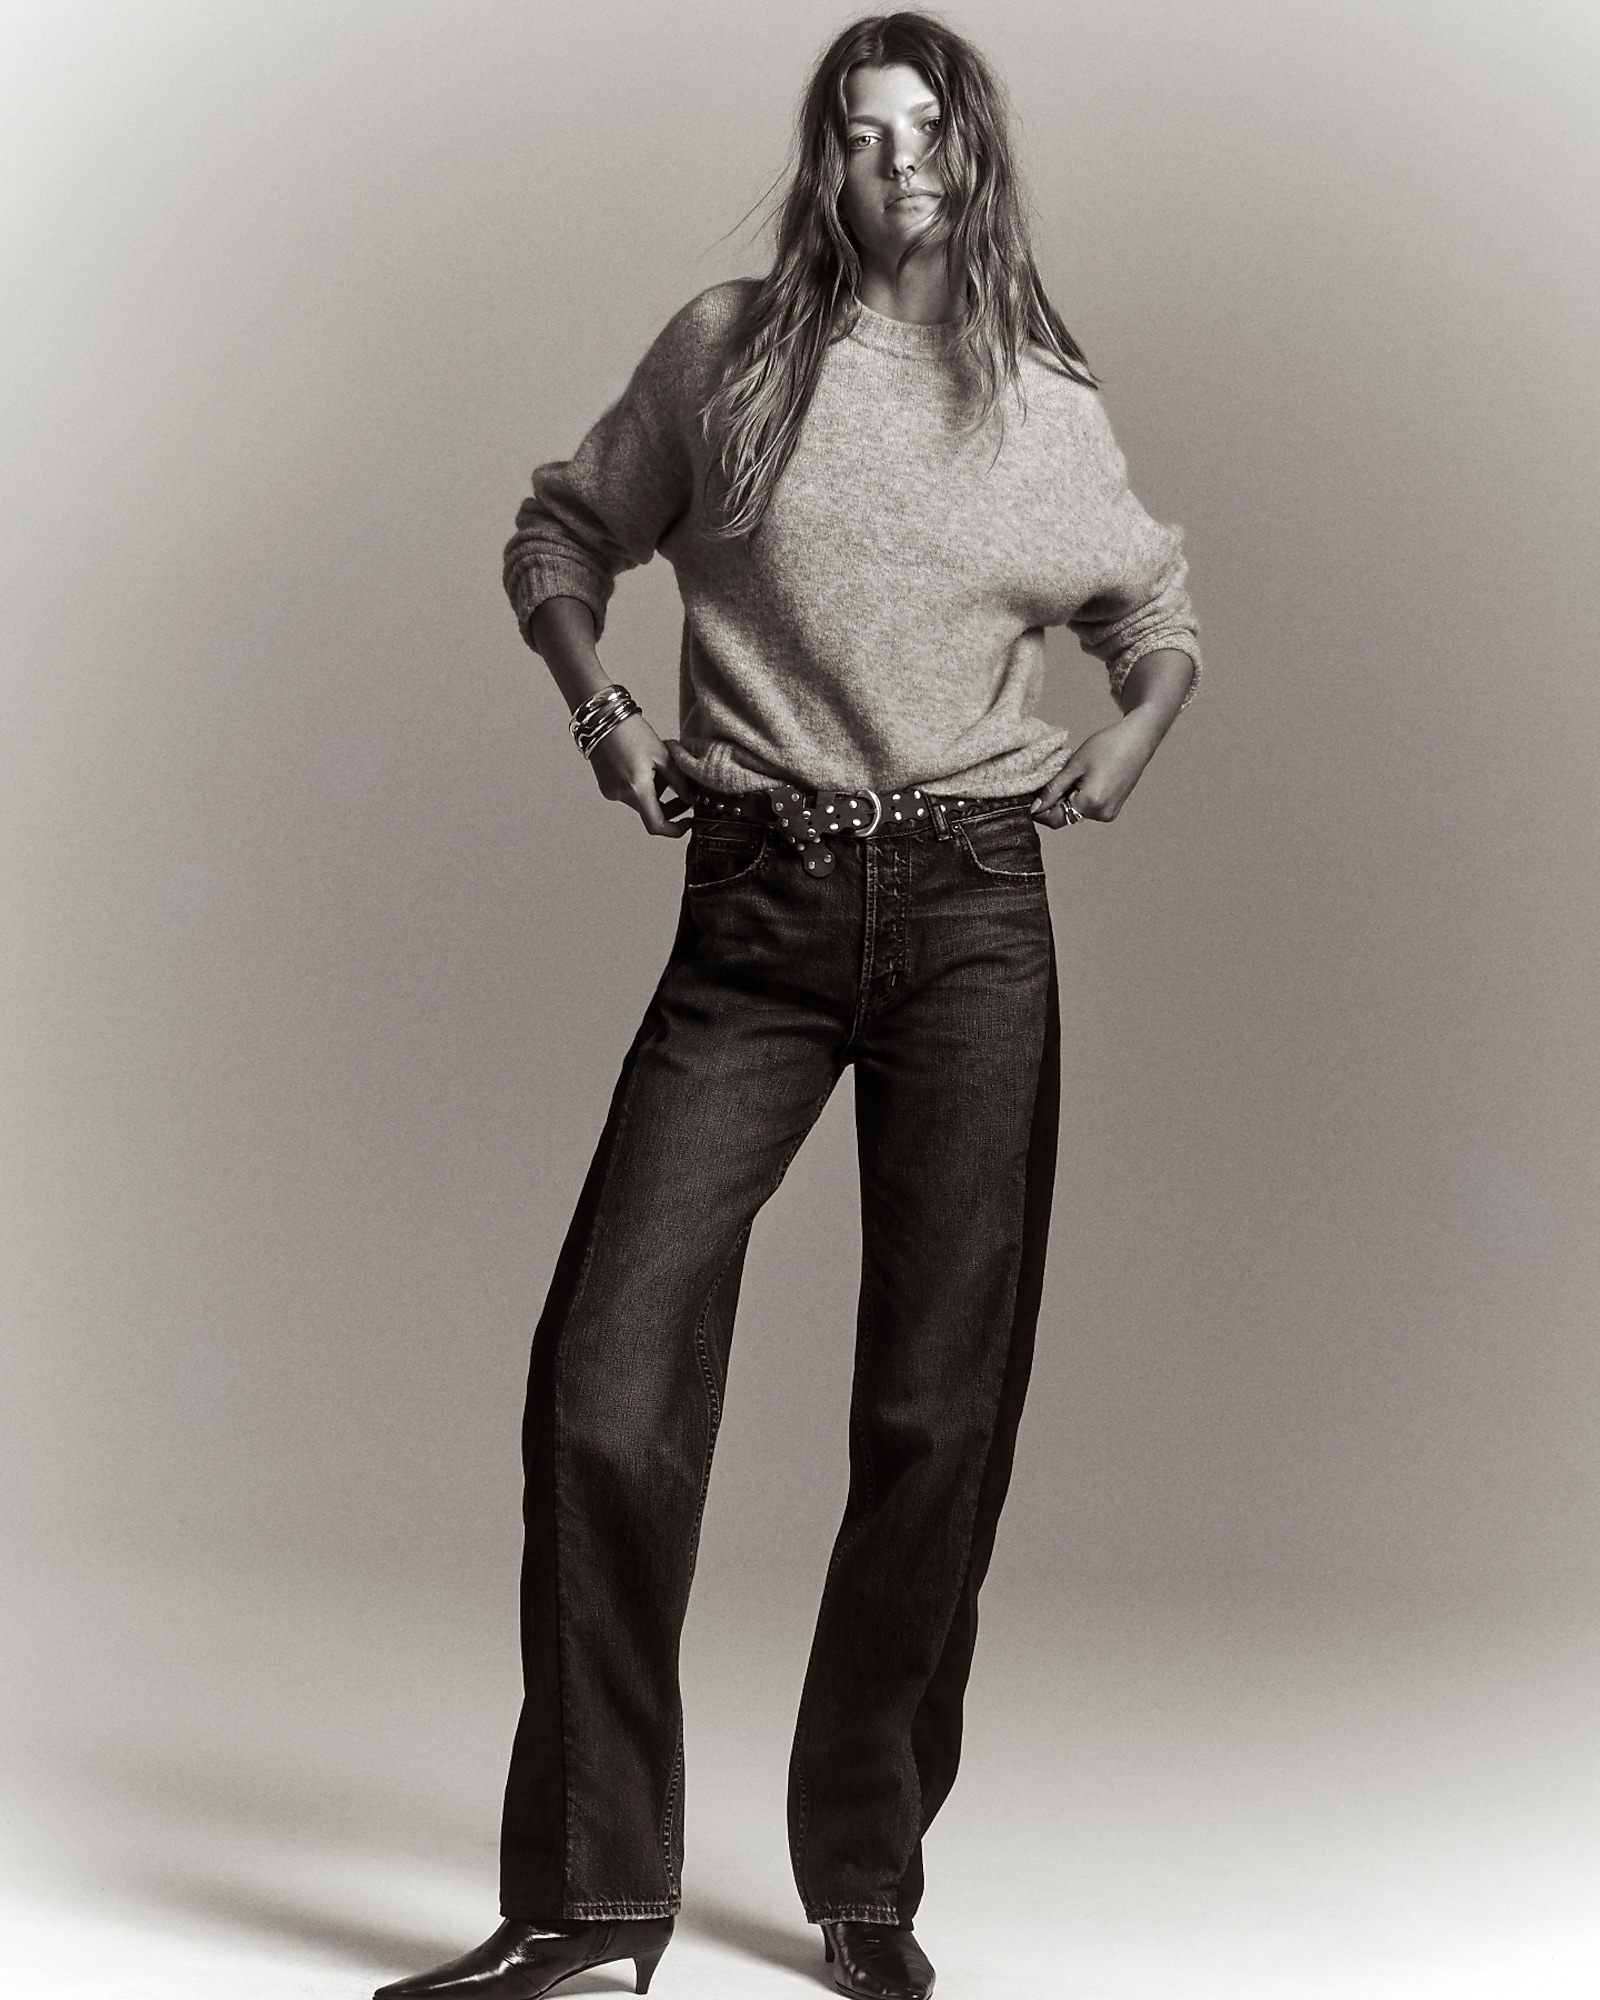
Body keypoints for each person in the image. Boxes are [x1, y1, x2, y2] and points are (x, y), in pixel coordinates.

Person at [375, 12, 1200, 1999]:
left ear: (972, 156)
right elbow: (558, 528)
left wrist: (1131, 735)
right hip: (750, 904)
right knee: (604, 1373)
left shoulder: (1039, 402)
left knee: (936, 1412)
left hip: (971, 913)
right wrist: (598, 705)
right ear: (819, 165)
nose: (888, 159)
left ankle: (863, 1881)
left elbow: (1153, 611)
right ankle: (587, 1909)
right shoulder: (727, 352)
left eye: (922, 128)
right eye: (852, 132)